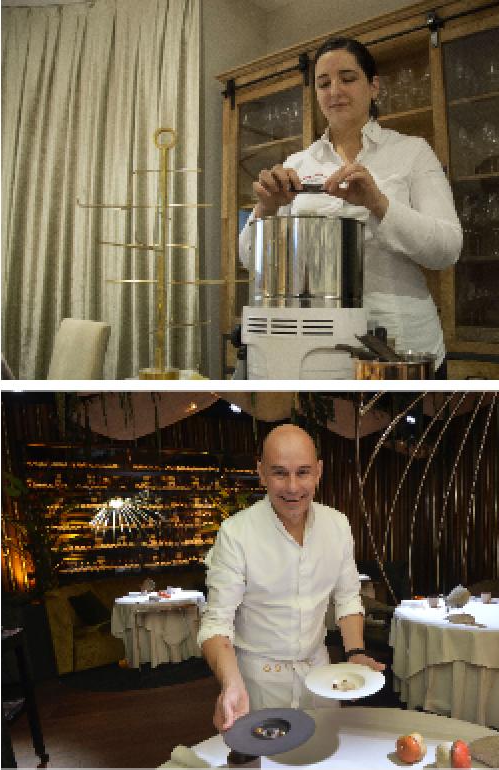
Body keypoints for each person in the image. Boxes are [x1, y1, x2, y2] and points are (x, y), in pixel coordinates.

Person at [239, 37, 462, 377]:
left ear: (374, 86)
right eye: (323, 83)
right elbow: (249, 260)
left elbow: (446, 250)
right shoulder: (297, 163)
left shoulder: (412, 152)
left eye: (347, 78)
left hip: (400, 347)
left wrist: (379, 204)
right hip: (316, 352)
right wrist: (266, 211)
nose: (334, 91)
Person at [197, 423, 383, 732]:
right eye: (280, 473)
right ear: (261, 472)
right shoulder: (236, 533)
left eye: (303, 472)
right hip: (257, 684)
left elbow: (348, 597)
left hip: (322, 679)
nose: (293, 487)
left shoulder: (337, 525)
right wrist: (231, 684)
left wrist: (356, 651)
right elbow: (217, 623)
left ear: (319, 471)